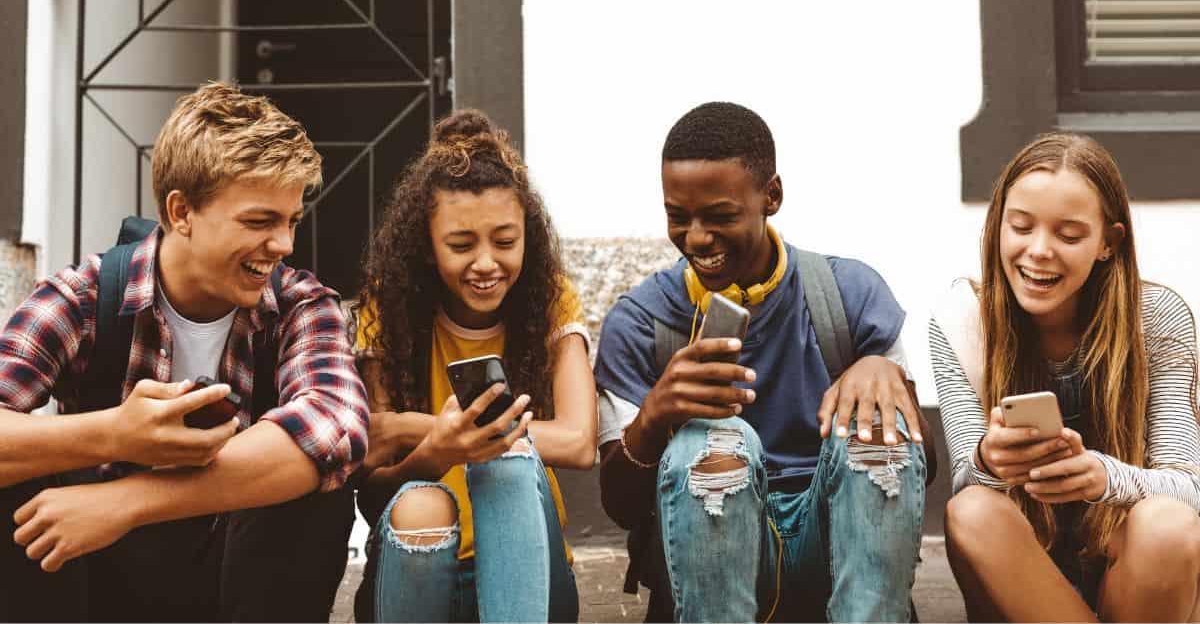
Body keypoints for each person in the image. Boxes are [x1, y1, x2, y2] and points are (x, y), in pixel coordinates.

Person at [0, 82, 370, 622]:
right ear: (181, 212)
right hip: (104, 580)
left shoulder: (301, 307)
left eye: (291, 220)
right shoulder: (84, 297)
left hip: (240, 578)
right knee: (18, 476)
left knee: (318, 478)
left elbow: (337, 428)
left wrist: (127, 502)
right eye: (259, 221)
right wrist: (114, 433)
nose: (285, 245)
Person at [592, 101, 926, 622]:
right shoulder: (639, 323)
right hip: (708, 558)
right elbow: (620, 506)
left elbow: (909, 474)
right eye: (678, 217)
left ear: (772, 195)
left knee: (875, 421)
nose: (697, 238)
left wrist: (884, 373)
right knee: (713, 441)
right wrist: (655, 417)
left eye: (721, 216)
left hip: (833, 541)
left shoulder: (851, 294)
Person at [931, 132, 1200, 622]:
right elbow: (967, 487)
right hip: (1023, 579)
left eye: (1068, 235)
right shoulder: (962, 321)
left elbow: (1189, 487)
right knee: (971, 510)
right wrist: (989, 459)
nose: (1038, 251)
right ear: (997, 228)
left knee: (1170, 523)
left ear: (1108, 242)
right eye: (1020, 227)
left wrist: (1101, 477)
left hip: (1134, 578)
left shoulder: (1156, 318)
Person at [353, 110, 597, 623]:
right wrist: (436, 449)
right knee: (423, 502)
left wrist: (422, 430)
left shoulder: (550, 300)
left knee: (504, 461)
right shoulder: (387, 308)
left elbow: (578, 440)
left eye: (505, 242)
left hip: (532, 574)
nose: (486, 263)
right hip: (422, 568)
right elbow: (370, 477)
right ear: (426, 245)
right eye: (461, 245)